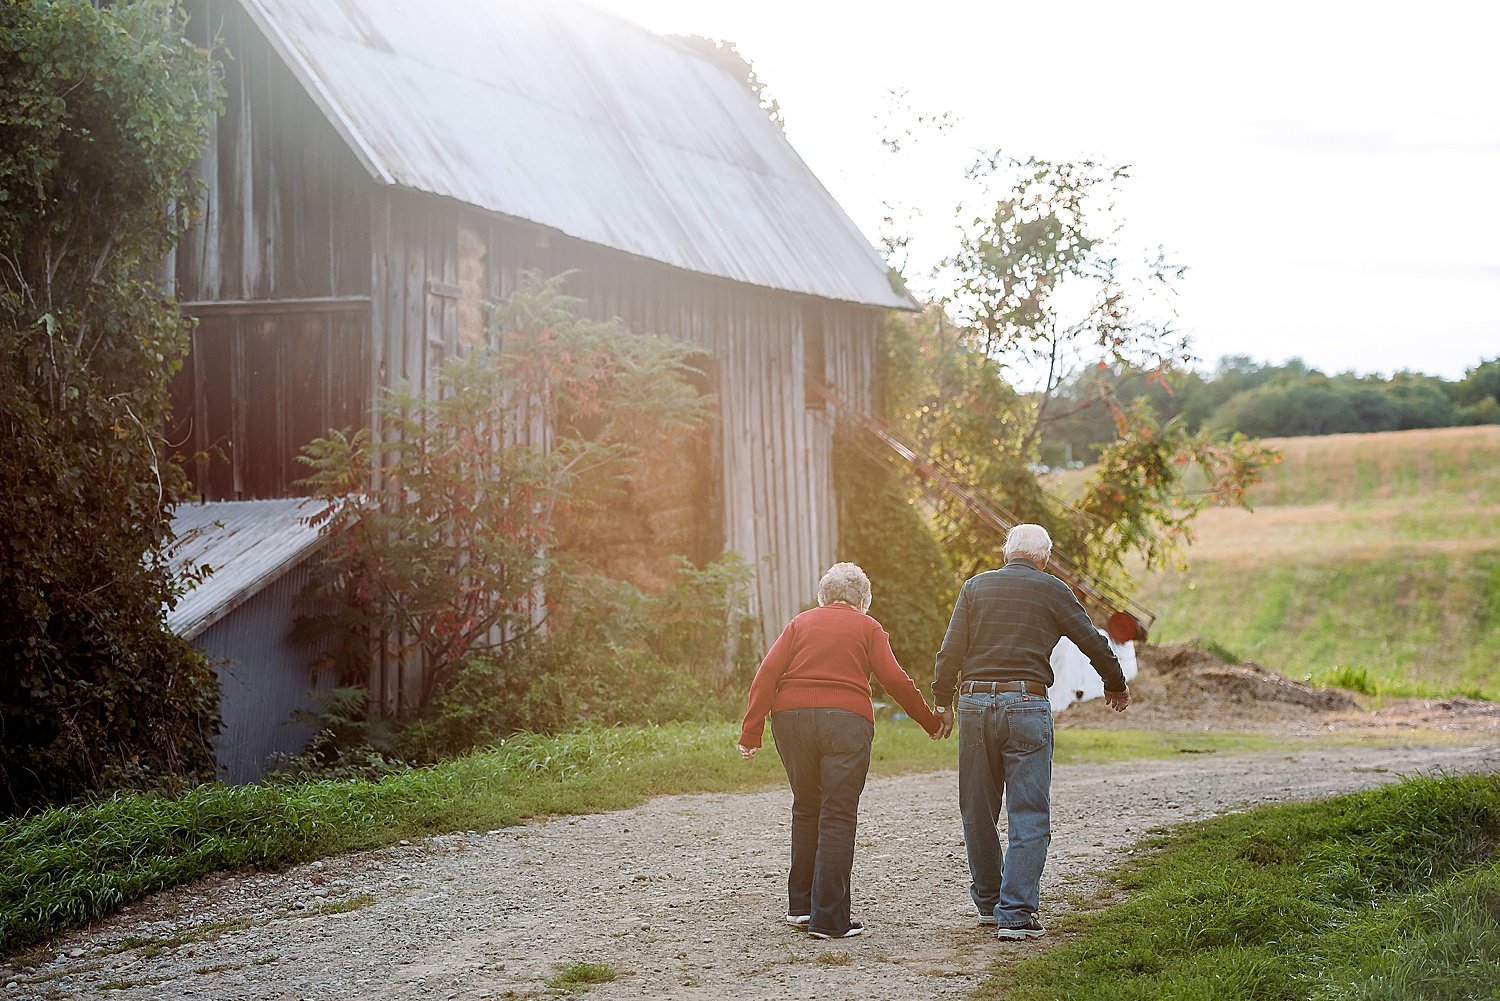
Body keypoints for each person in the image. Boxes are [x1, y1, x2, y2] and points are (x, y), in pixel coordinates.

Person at [932, 523, 1130, 940]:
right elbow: (1091, 640)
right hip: (1026, 704)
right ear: (1044, 558)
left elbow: (951, 649)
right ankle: (1017, 914)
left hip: (973, 703)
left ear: (1007, 553)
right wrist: (1115, 683)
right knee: (1028, 812)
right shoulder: (1052, 589)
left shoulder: (975, 588)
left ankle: (990, 903)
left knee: (977, 808)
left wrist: (941, 701)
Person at [739, 562, 944, 940]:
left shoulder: (800, 623)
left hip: (791, 719)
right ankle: (830, 919)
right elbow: (895, 679)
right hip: (847, 723)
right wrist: (930, 721)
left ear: (823, 596)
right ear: (863, 600)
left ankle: (801, 907)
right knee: (837, 813)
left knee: (806, 807)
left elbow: (767, 672)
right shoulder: (868, 628)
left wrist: (751, 733)